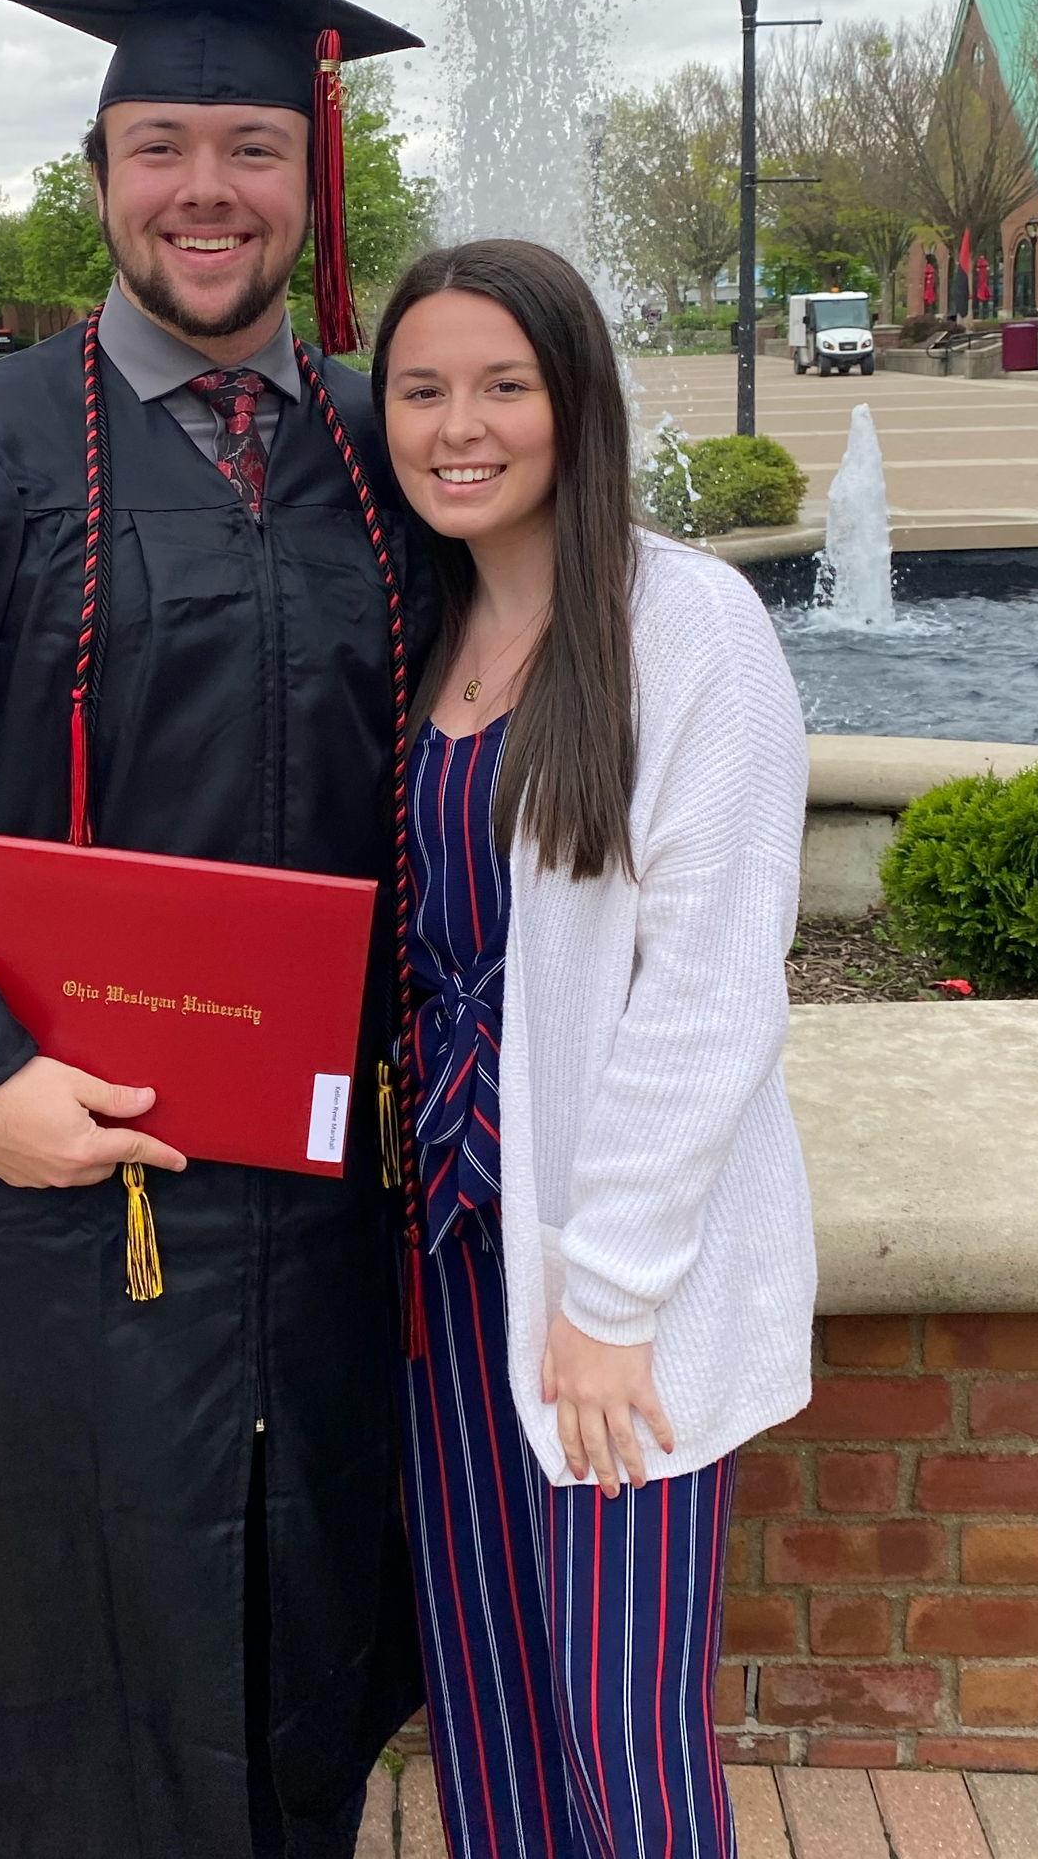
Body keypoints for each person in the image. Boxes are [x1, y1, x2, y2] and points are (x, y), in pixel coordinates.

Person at [0, 0, 431, 1859]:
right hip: (33, 1192)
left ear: (315, 182)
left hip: (307, 1200)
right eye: (160, 146)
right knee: (40, 1624)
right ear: (98, 174)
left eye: (250, 147)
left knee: (289, 1613)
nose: (204, 190)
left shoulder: (390, 457)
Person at [371, 239, 815, 1858]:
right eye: (421, 389)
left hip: (603, 1273)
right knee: (484, 1704)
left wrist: (610, 1300)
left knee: (621, 1739)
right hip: (439, 1253)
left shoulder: (685, 628)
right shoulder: (420, 632)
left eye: (504, 385)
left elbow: (708, 995)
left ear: (577, 405)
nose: (458, 425)